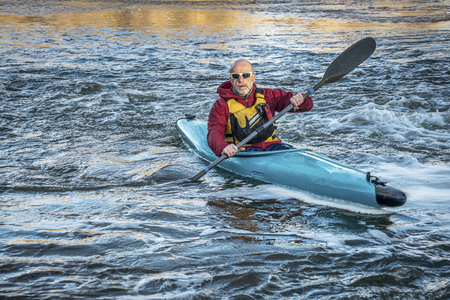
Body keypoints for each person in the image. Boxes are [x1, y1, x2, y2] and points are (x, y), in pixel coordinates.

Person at [207, 59, 313, 158]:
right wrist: (222, 147)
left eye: (246, 75)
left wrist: (301, 100)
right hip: (245, 152)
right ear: (231, 80)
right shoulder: (221, 105)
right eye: (236, 76)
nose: (241, 80)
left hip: (274, 147)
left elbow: (308, 105)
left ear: (253, 77)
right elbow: (215, 130)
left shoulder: (268, 96)